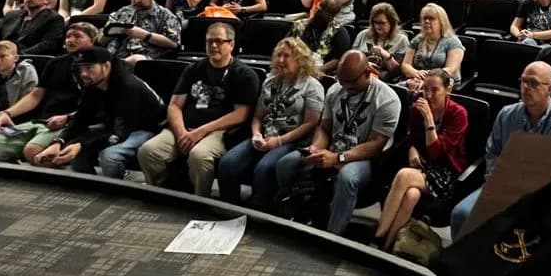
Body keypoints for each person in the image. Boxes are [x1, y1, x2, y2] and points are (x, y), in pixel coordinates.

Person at [272, 49, 402, 234]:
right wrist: (316, 147)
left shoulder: (387, 100)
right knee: (286, 163)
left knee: (347, 177)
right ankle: (297, 215)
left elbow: (376, 144)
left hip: (366, 157)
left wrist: (337, 158)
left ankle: (334, 234)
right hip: (333, 147)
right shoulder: (336, 89)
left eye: (351, 82)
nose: (346, 87)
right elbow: (325, 127)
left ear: (367, 72)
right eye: (342, 81)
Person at [448, 61, 551, 237]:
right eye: (523, 81)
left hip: (540, 198)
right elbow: (493, 152)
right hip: (503, 186)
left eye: (533, 83)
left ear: (550, 90)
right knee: (461, 214)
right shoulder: (507, 114)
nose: (525, 87)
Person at [137, 20, 260, 195]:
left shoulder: (244, 74)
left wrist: (201, 131)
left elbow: (240, 114)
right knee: (148, 151)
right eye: (209, 41)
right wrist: (181, 133)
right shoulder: (193, 69)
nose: (214, 45)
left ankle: (199, 199)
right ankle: (164, 193)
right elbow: (174, 105)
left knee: (199, 156)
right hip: (185, 129)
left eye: (219, 41)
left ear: (231, 44)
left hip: (219, 131)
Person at [0, 22, 99, 163]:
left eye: (77, 36)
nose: (70, 40)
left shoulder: (101, 65)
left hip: (71, 123)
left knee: (33, 151)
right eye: (68, 36)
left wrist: (68, 117)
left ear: (92, 40)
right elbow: (35, 96)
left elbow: (98, 105)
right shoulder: (55, 63)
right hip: (41, 121)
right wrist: (7, 113)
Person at [216, 37, 325, 207]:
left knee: (264, 169)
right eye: (278, 56)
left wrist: (280, 141)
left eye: (286, 56)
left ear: (300, 59)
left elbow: (311, 123)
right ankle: (228, 207)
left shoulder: (312, 86)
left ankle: (261, 211)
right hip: (265, 136)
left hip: (292, 139)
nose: (280, 60)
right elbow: (258, 116)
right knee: (227, 163)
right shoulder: (270, 81)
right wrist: (256, 134)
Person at [30, 47, 165, 178]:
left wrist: (81, 144)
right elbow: (82, 117)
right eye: (80, 68)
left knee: (109, 156)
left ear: (106, 66)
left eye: (89, 67)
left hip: (148, 127)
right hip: (115, 122)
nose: (83, 73)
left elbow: (119, 132)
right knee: (76, 150)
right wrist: (58, 142)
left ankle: (117, 192)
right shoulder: (93, 82)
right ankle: (90, 189)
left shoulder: (127, 86)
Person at [373, 70, 470, 251]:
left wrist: (428, 119)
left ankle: (378, 234)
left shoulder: (458, 114)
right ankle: (387, 246)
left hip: (446, 171)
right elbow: (412, 139)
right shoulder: (416, 109)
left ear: (448, 90)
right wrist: (412, 149)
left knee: (403, 175)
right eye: (425, 89)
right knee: (412, 195)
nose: (429, 95)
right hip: (422, 167)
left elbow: (436, 152)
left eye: (435, 90)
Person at [104, 0, 181, 62]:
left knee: (135, 59)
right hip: (118, 54)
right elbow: (102, 39)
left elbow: (173, 43)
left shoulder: (166, 15)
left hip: (146, 58)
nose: (136, 0)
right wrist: (108, 32)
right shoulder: (123, 11)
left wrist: (145, 35)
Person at [400, 2, 465, 89]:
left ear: (441, 23)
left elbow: (450, 69)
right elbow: (405, 64)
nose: (427, 21)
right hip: (417, 79)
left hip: (444, 83)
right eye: (424, 18)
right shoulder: (418, 39)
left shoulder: (453, 42)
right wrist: (416, 73)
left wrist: (428, 77)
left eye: (431, 18)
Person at [0, 0, 66, 56]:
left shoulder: (54, 19)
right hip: (1, 57)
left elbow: (47, 45)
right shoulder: (11, 15)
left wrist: (14, 56)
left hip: (29, 59)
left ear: (46, 0)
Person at [353, 1, 410, 78]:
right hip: (361, 74)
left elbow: (397, 72)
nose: (377, 26)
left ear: (392, 23)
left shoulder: (402, 40)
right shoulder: (363, 35)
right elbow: (352, 59)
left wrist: (386, 55)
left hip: (387, 78)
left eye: (382, 23)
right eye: (375, 22)